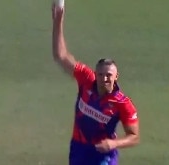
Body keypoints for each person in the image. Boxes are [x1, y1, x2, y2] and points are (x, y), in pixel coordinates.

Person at [51, 3, 140, 165]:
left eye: (108, 75)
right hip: (79, 148)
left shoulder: (122, 103)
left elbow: (134, 136)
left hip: (103, 155)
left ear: (116, 76)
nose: (104, 78)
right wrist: (58, 21)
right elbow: (61, 56)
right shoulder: (86, 79)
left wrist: (114, 143)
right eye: (100, 74)